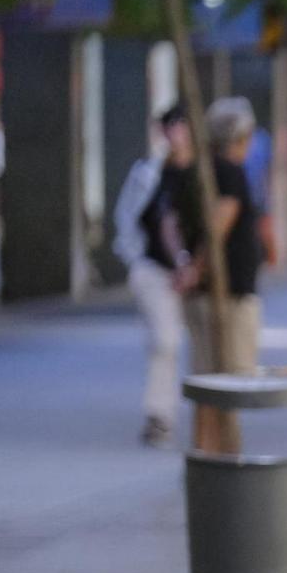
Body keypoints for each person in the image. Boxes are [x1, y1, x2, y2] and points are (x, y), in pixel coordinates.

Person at [184, 97, 267, 452]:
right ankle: (222, 454)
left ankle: (207, 452)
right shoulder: (229, 172)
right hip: (226, 294)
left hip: (214, 291)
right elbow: (220, 223)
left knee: (209, 377)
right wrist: (198, 268)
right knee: (227, 379)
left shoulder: (204, 169)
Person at [113, 105, 198, 448]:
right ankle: (159, 416)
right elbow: (128, 217)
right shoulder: (149, 173)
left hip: (198, 275)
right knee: (166, 341)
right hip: (155, 270)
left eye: (183, 125)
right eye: (171, 127)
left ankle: (207, 415)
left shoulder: (202, 173)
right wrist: (135, 260)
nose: (177, 133)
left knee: (198, 345)